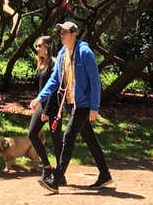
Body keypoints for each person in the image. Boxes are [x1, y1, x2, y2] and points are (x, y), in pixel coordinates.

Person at [30, 21, 112, 194]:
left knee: (68, 137)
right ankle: (105, 174)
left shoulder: (85, 52)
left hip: (84, 104)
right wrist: (40, 97)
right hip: (71, 102)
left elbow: (95, 81)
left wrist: (94, 107)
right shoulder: (62, 54)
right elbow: (54, 80)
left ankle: (56, 180)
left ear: (74, 34)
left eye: (65, 32)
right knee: (90, 138)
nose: (61, 35)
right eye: (60, 32)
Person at [27, 35, 64, 184]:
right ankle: (47, 167)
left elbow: (55, 90)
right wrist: (38, 101)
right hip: (43, 105)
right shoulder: (41, 64)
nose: (37, 49)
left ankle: (60, 175)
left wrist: (47, 111)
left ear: (48, 47)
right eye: (36, 46)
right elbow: (43, 88)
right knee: (32, 134)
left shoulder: (55, 63)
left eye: (40, 46)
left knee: (57, 142)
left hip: (54, 107)